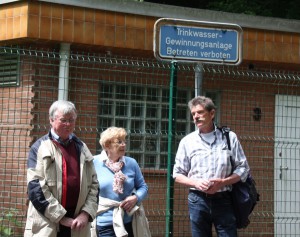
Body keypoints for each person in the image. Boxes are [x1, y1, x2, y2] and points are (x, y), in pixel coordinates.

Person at [173, 96, 250, 237]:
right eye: (193, 114)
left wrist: (223, 182)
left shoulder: (229, 137)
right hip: (197, 200)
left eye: (200, 112)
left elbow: (243, 168)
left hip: (224, 199)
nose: (196, 117)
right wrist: (196, 182)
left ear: (212, 113)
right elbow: (177, 174)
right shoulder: (187, 141)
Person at [24, 100, 99, 237]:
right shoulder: (39, 147)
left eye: (71, 120)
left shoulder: (82, 147)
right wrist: (61, 218)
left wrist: (85, 214)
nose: (68, 124)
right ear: (51, 120)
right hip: (47, 223)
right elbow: (35, 187)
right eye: (63, 120)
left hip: (78, 224)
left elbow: (94, 184)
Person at [93, 126, 149, 237]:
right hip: (104, 222)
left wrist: (136, 197)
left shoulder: (131, 163)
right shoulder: (94, 162)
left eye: (124, 141)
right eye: (119, 142)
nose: (123, 144)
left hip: (129, 221)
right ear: (107, 145)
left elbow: (143, 187)